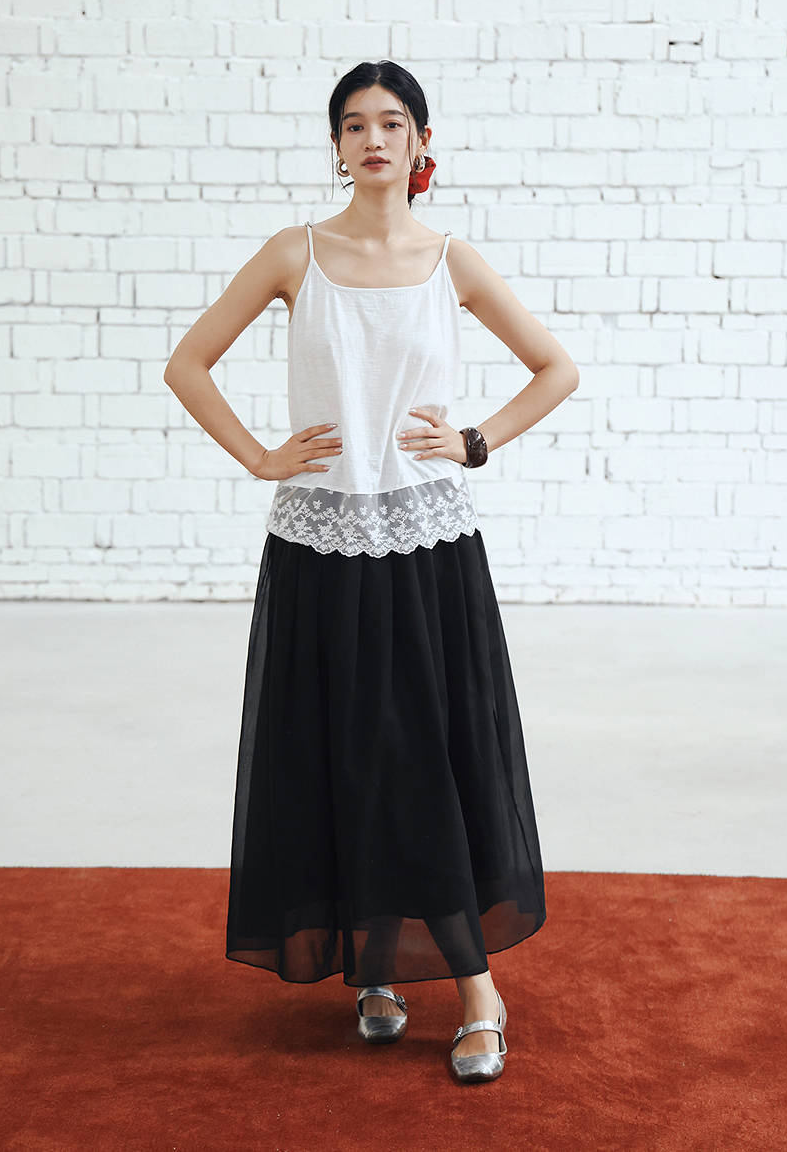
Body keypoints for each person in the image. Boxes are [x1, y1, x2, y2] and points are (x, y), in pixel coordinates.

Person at [163, 60, 579, 1084]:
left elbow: (556, 368)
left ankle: (478, 989)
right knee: (344, 752)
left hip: (428, 549)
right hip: (318, 547)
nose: (374, 139)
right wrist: (261, 456)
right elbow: (187, 363)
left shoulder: (451, 261)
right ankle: (377, 964)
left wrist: (475, 442)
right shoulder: (294, 252)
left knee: (428, 753)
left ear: (422, 141)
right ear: (337, 147)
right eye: (355, 125)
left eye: (392, 122)